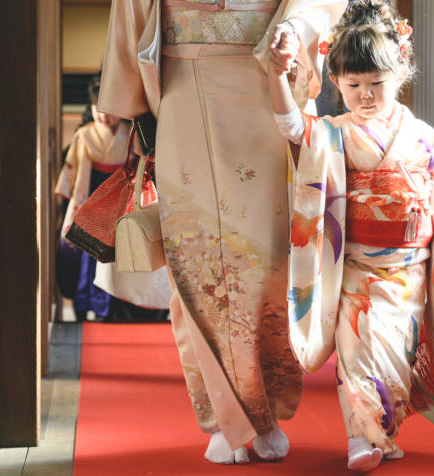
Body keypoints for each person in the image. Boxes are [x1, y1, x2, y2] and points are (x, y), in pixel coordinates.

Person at [97, 0, 347, 465]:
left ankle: (266, 411)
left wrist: (294, 27)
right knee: (195, 256)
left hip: (263, 79)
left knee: (270, 259)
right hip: (184, 83)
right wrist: (135, 105)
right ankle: (218, 417)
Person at [268, 0, 434, 471]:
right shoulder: (333, 134)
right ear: (335, 82)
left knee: (395, 356)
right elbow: (291, 126)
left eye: (377, 84)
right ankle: (361, 438)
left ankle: (382, 433)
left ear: (401, 74)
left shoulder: (424, 139)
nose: (366, 96)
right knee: (358, 349)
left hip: (410, 272)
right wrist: (278, 75)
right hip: (355, 267)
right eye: (353, 86)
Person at [56, 73, 171, 323]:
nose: (104, 117)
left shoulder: (132, 132)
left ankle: (121, 307)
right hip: (93, 194)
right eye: (98, 111)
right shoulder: (83, 135)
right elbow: (72, 174)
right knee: (91, 252)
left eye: (108, 111)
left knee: (122, 250)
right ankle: (92, 305)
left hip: (124, 193)